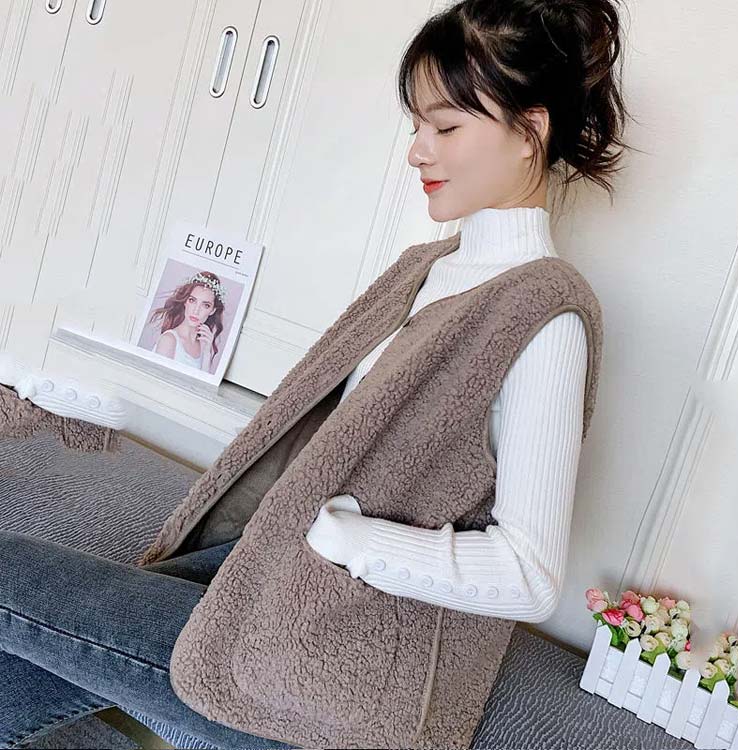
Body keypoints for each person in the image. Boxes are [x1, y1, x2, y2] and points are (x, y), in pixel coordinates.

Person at [0, 0, 631, 747]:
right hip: (267, 585)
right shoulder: (425, 268)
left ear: (529, 131)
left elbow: (529, 574)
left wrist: (348, 543)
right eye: (416, 125)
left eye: (445, 128)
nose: (417, 152)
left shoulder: (546, 315)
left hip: (332, 661)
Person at [149, 272, 226, 373]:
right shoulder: (169, 340)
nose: (196, 311)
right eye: (192, 300)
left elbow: (201, 382)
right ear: (185, 302)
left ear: (212, 310)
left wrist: (207, 353)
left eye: (205, 305)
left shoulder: (204, 346)